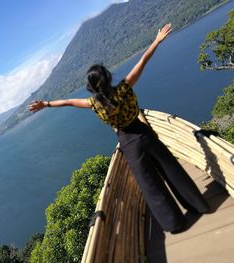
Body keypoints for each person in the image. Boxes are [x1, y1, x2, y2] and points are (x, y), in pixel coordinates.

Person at [27, 24, 209, 233]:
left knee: (150, 186)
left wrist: (46, 104)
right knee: (171, 169)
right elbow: (143, 60)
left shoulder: (94, 103)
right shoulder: (124, 87)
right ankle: (197, 204)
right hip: (144, 133)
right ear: (108, 78)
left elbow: (68, 102)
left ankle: (175, 224)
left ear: (92, 87)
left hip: (129, 144)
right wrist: (157, 40)